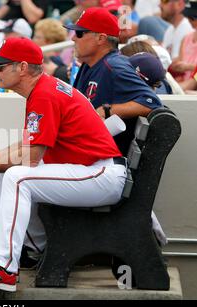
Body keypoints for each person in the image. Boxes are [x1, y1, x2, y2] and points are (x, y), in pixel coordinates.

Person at [0, 37, 127, 292]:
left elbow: (31, 157)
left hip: (101, 173)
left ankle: (4, 268)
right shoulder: (42, 89)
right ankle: (14, 255)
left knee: (16, 176)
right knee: (1, 177)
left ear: (22, 67)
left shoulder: (44, 94)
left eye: (2, 66)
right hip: (91, 168)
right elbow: (26, 145)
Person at [65, 7, 168, 245]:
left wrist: (110, 110)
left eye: (80, 33)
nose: (73, 38)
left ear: (101, 38)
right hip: (91, 156)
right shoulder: (89, 65)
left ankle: (30, 250)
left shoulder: (115, 66)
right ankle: (32, 249)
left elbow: (153, 102)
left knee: (20, 174)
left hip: (105, 163)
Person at [170, 0, 197, 83]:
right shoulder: (186, 38)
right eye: (187, 16)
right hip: (185, 81)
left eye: (192, 18)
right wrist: (176, 66)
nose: (189, 20)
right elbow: (181, 61)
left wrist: (189, 67)